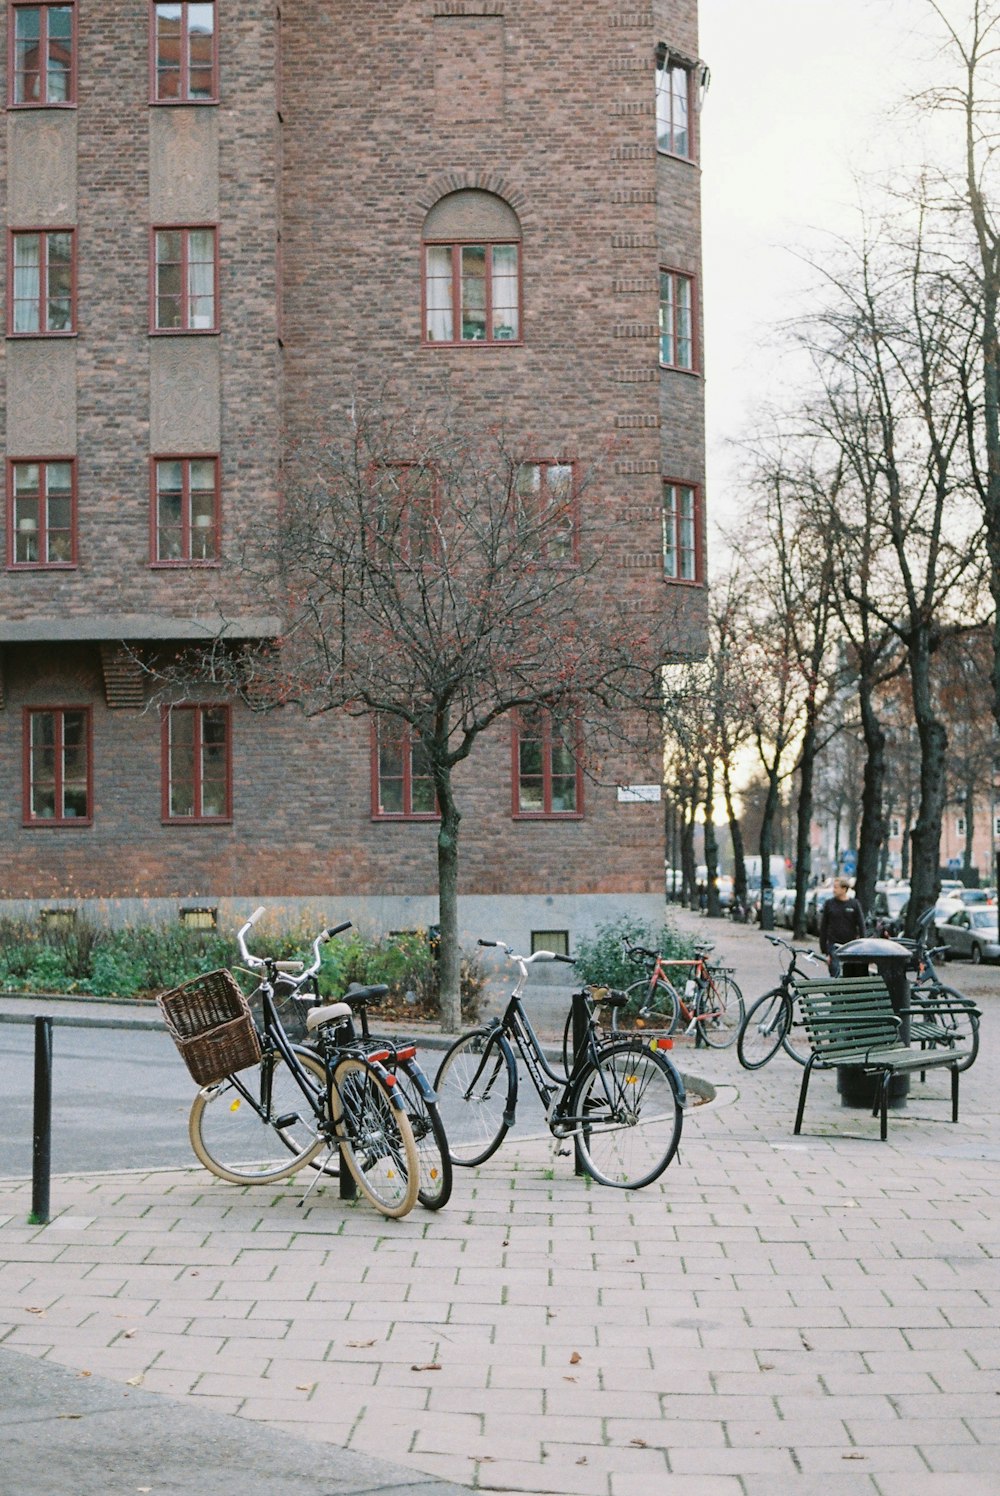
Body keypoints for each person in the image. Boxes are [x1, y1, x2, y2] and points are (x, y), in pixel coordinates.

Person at [819, 877, 866, 974]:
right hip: (834, 944)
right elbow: (824, 926)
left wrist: (863, 945)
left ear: (844, 889)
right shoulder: (829, 904)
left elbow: (861, 925)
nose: (834, 890)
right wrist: (824, 949)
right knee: (835, 971)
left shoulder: (854, 904)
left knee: (849, 972)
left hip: (850, 945)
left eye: (836, 887)